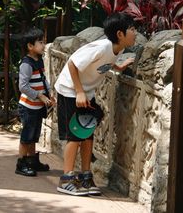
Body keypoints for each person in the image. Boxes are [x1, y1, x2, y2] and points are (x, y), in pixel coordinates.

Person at [54, 12, 137, 195]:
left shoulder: (119, 49)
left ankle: (85, 176)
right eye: (132, 29)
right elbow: (72, 64)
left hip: (86, 92)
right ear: (120, 34)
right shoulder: (101, 47)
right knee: (75, 134)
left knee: (87, 133)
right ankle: (66, 179)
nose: (135, 32)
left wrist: (119, 67)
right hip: (70, 90)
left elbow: (105, 64)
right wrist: (79, 92)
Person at [16, 28, 55, 177]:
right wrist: (39, 95)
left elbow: (43, 79)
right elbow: (23, 86)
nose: (43, 44)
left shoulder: (38, 61)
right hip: (28, 107)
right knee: (27, 136)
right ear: (30, 46)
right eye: (40, 42)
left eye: (43, 41)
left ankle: (32, 160)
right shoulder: (26, 64)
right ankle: (21, 163)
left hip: (37, 106)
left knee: (34, 135)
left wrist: (49, 94)